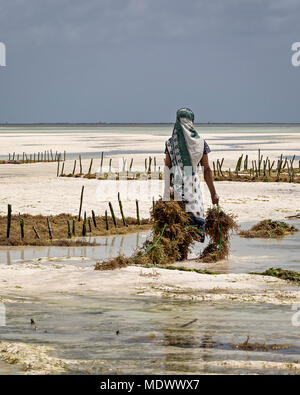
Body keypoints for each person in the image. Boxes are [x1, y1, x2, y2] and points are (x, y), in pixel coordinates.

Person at [164, 108, 219, 240]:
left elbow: (168, 169)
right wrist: (213, 193)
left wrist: (166, 193)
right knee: (191, 225)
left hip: (176, 187)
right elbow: (206, 170)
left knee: (176, 227)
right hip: (193, 188)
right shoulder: (201, 143)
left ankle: (179, 256)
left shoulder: (171, 143)